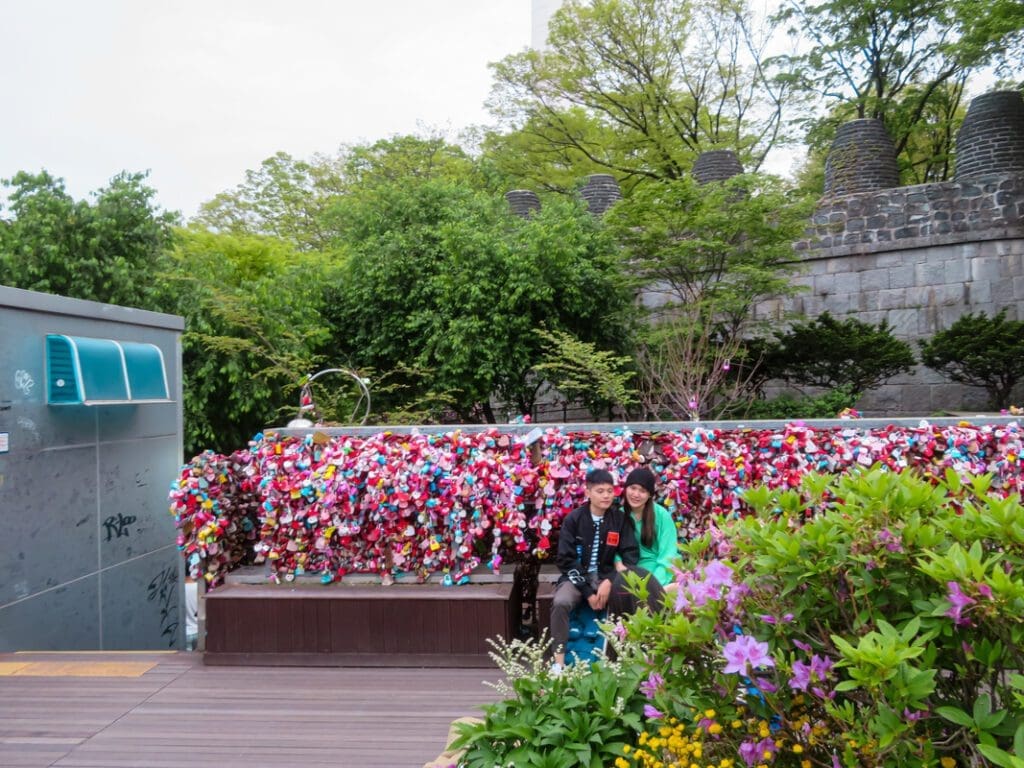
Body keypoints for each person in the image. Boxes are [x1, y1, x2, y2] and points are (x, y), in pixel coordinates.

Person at [550, 468, 664, 670]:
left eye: (610, 491)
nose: (606, 496)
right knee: (561, 602)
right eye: (600, 491)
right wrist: (587, 592)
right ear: (588, 492)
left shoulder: (619, 520)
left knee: (623, 601)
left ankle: (617, 660)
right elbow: (565, 560)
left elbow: (630, 556)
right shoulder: (574, 519)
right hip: (577, 579)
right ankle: (558, 665)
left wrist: (610, 581)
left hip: (606, 577)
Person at [619, 466, 680, 587]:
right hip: (630, 569)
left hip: (658, 569)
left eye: (642, 491)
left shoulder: (661, 515)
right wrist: (618, 563)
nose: (636, 494)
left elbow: (668, 554)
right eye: (633, 488)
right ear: (626, 489)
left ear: (650, 495)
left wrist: (652, 584)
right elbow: (613, 548)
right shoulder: (620, 514)